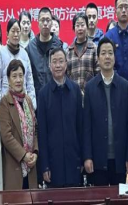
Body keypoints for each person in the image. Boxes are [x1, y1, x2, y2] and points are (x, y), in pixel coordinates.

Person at [83, 37, 128, 186]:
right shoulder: (90, 88)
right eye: (103, 53)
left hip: (120, 159)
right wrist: (87, 156)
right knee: (99, 197)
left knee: (118, 197)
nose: (107, 57)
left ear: (115, 57)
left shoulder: (125, 87)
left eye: (110, 53)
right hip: (97, 158)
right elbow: (86, 126)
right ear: (98, 58)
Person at [37, 48, 83, 188]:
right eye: (54, 62)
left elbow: (81, 127)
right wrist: (44, 166)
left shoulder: (75, 90)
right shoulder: (43, 94)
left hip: (74, 160)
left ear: (66, 64)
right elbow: (42, 133)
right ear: (49, 66)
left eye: (61, 61)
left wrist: (82, 159)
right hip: (53, 164)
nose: (58, 65)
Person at [0, 60, 39, 190]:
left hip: (31, 164)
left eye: (21, 76)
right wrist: (23, 155)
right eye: (14, 76)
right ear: (8, 80)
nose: (18, 80)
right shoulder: (5, 102)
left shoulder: (28, 101)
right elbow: (6, 136)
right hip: (15, 166)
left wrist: (35, 152)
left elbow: (35, 130)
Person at [0, 18, 36, 109]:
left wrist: (32, 105)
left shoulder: (24, 54)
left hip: (23, 105)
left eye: (18, 31)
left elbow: (29, 82)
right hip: (6, 105)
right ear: (7, 34)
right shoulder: (0, 54)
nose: (16, 34)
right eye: (13, 31)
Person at [26, 7, 63, 96]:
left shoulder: (59, 45)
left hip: (56, 95)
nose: (45, 23)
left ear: (51, 23)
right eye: (42, 20)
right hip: (36, 98)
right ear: (38, 23)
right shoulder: (30, 48)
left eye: (48, 20)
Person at [66, 12, 98, 93]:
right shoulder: (68, 51)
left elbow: (98, 74)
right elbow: (66, 76)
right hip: (73, 95)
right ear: (73, 28)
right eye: (77, 25)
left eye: (82, 25)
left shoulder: (94, 48)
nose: (80, 28)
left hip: (90, 94)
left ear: (87, 27)